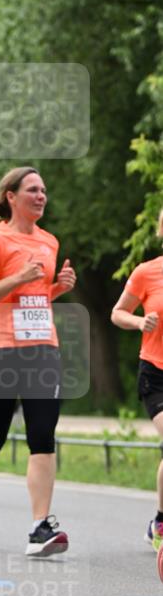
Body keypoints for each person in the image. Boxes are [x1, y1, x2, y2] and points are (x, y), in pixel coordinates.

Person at [0, 166, 76, 557]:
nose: (41, 196)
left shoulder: (49, 241)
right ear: (11, 196)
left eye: (44, 190)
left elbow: (32, 298)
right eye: (33, 190)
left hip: (42, 347)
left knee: (43, 435)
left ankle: (40, 526)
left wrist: (56, 289)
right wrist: (19, 277)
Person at [111, 206, 163, 550]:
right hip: (156, 372)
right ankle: (161, 521)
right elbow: (118, 313)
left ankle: (158, 517)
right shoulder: (147, 272)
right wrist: (139, 322)